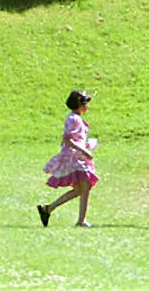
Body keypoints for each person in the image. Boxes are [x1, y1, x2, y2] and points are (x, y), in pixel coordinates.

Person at [37, 90, 98, 228]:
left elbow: (75, 139)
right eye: (86, 104)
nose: (87, 106)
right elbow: (67, 139)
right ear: (79, 104)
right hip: (74, 158)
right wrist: (83, 150)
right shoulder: (73, 118)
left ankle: (48, 209)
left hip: (78, 156)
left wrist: (87, 145)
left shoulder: (76, 118)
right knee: (85, 186)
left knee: (80, 189)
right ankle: (81, 221)